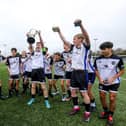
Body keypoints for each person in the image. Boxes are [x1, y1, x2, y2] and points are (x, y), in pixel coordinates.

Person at [58, 19, 91, 122]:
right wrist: (59, 32)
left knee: (84, 93)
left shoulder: (85, 46)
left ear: (81, 39)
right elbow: (64, 41)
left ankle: (87, 113)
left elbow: (86, 36)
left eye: (75, 39)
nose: (73, 41)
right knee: (72, 91)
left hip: (82, 73)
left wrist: (81, 25)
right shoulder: (73, 48)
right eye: (73, 39)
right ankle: (76, 107)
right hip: (74, 72)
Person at [94, 42, 125, 126]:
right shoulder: (98, 59)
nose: (102, 51)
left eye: (104, 49)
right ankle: (105, 111)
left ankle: (110, 116)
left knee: (112, 98)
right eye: (101, 49)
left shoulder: (118, 58)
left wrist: (113, 78)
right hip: (102, 82)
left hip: (114, 82)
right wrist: (99, 79)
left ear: (110, 48)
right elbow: (96, 70)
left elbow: (122, 71)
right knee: (102, 96)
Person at [27, 31, 51, 109]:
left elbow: (43, 44)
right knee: (33, 86)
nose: (38, 46)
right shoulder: (33, 53)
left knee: (43, 87)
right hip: (34, 71)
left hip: (40, 71)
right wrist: (29, 37)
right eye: (37, 45)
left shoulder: (43, 52)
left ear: (41, 47)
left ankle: (46, 101)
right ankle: (33, 98)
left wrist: (40, 35)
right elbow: (30, 45)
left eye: (39, 45)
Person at [52, 27, 73, 101]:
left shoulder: (73, 51)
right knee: (67, 84)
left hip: (75, 70)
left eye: (65, 46)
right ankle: (68, 96)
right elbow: (57, 57)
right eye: (63, 46)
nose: (64, 47)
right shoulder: (63, 53)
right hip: (68, 71)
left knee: (76, 86)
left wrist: (72, 61)